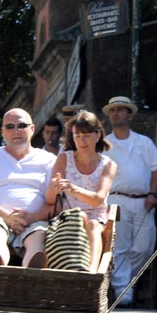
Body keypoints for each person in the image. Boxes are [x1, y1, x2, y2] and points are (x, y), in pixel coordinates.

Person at [102, 96, 157, 306]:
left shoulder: (144, 142)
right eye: (113, 110)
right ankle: (124, 294)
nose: (116, 114)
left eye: (120, 110)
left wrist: (153, 193)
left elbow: (156, 169)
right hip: (116, 198)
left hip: (142, 201)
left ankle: (125, 283)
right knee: (119, 248)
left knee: (144, 248)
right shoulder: (104, 144)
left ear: (129, 115)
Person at [0, 108, 55, 268]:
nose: (16, 131)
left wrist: (32, 217)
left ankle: (33, 264)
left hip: (36, 219)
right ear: (3, 131)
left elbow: (56, 202)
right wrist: (8, 216)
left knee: (37, 236)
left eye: (21, 125)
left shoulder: (49, 160)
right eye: (10, 126)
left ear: (32, 129)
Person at [45, 111, 116, 273]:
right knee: (78, 218)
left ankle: (91, 273)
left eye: (86, 135)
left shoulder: (108, 165)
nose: (81, 141)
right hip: (68, 218)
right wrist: (54, 187)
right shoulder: (64, 158)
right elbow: (49, 199)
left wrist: (73, 189)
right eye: (77, 136)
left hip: (95, 217)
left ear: (97, 135)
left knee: (91, 224)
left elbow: (98, 199)